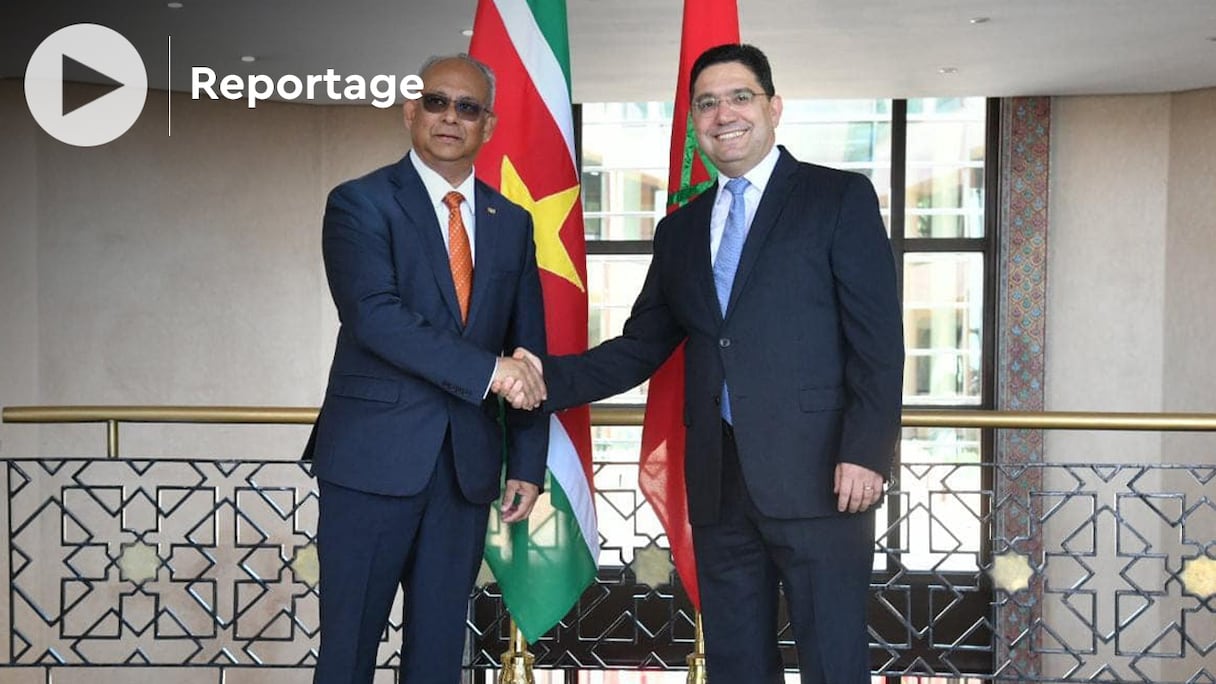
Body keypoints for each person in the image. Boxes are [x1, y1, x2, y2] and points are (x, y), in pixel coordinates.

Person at [518, 44, 903, 683]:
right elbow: (640, 346)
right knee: (736, 663)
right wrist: (537, 379)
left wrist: (866, 451)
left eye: (740, 97)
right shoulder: (680, 229)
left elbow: (878, 341)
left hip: (824, 478)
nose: (724, 113)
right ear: (695, 122)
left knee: (833, 660)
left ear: (774, 107)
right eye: (707, 103)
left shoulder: (837, 197)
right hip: (720, 484)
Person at [302, 53, 550, 684]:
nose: (450, 117)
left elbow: (527, 347)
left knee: (440, 657)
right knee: (348, 652)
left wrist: (525, 460)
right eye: (437, 102)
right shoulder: (359, 204)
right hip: (369, 464)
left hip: (464, 471)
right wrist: (490, 374)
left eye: (468, 108)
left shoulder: (512, 223)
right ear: (411, 112)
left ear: (487, 126)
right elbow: (375, 318)